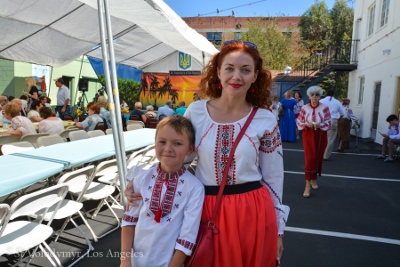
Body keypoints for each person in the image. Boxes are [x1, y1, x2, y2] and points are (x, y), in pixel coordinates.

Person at [126, 40, 289, 266]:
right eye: (229, 68)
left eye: (245, 70)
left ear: (255, 76)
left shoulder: (265, 118)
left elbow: (273, 177)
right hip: (205, 207)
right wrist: (140, 182)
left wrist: (278, 230)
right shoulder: (197, 111)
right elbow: (176, 156)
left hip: (252, 210)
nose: (236, 76)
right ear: (218, 72)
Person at [120, 116, 204, 267]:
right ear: (155, 144)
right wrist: (125, 261)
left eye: (177, 143)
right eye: (162, 142)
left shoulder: (194, 188)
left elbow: (187, 238)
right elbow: (129, 221)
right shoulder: (140, 180)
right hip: (135, 261)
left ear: (190, 149)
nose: (168, 148)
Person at [296, 86, 331, 197]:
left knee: (318, 157)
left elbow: (329, 122)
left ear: (320, 96)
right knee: (310, 159)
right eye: (312, 94)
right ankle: (307, 185)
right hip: (308, 134)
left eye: (317, 94)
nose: (314, 96)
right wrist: (307, 124)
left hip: (321, 135)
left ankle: (313, 179)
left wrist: (319, 125)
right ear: (309, 96)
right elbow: (299, 122)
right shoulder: (305, 108)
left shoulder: (325, 107)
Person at [319, 89, 345, 160]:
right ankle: (326, 155)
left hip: (322, 121)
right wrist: (338, 119)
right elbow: (342, 113)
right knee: (330, 139)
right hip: (332, 120)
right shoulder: (337, 102)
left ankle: (319, 153)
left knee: (321, 138)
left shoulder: (321, 101)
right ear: (334, 94)